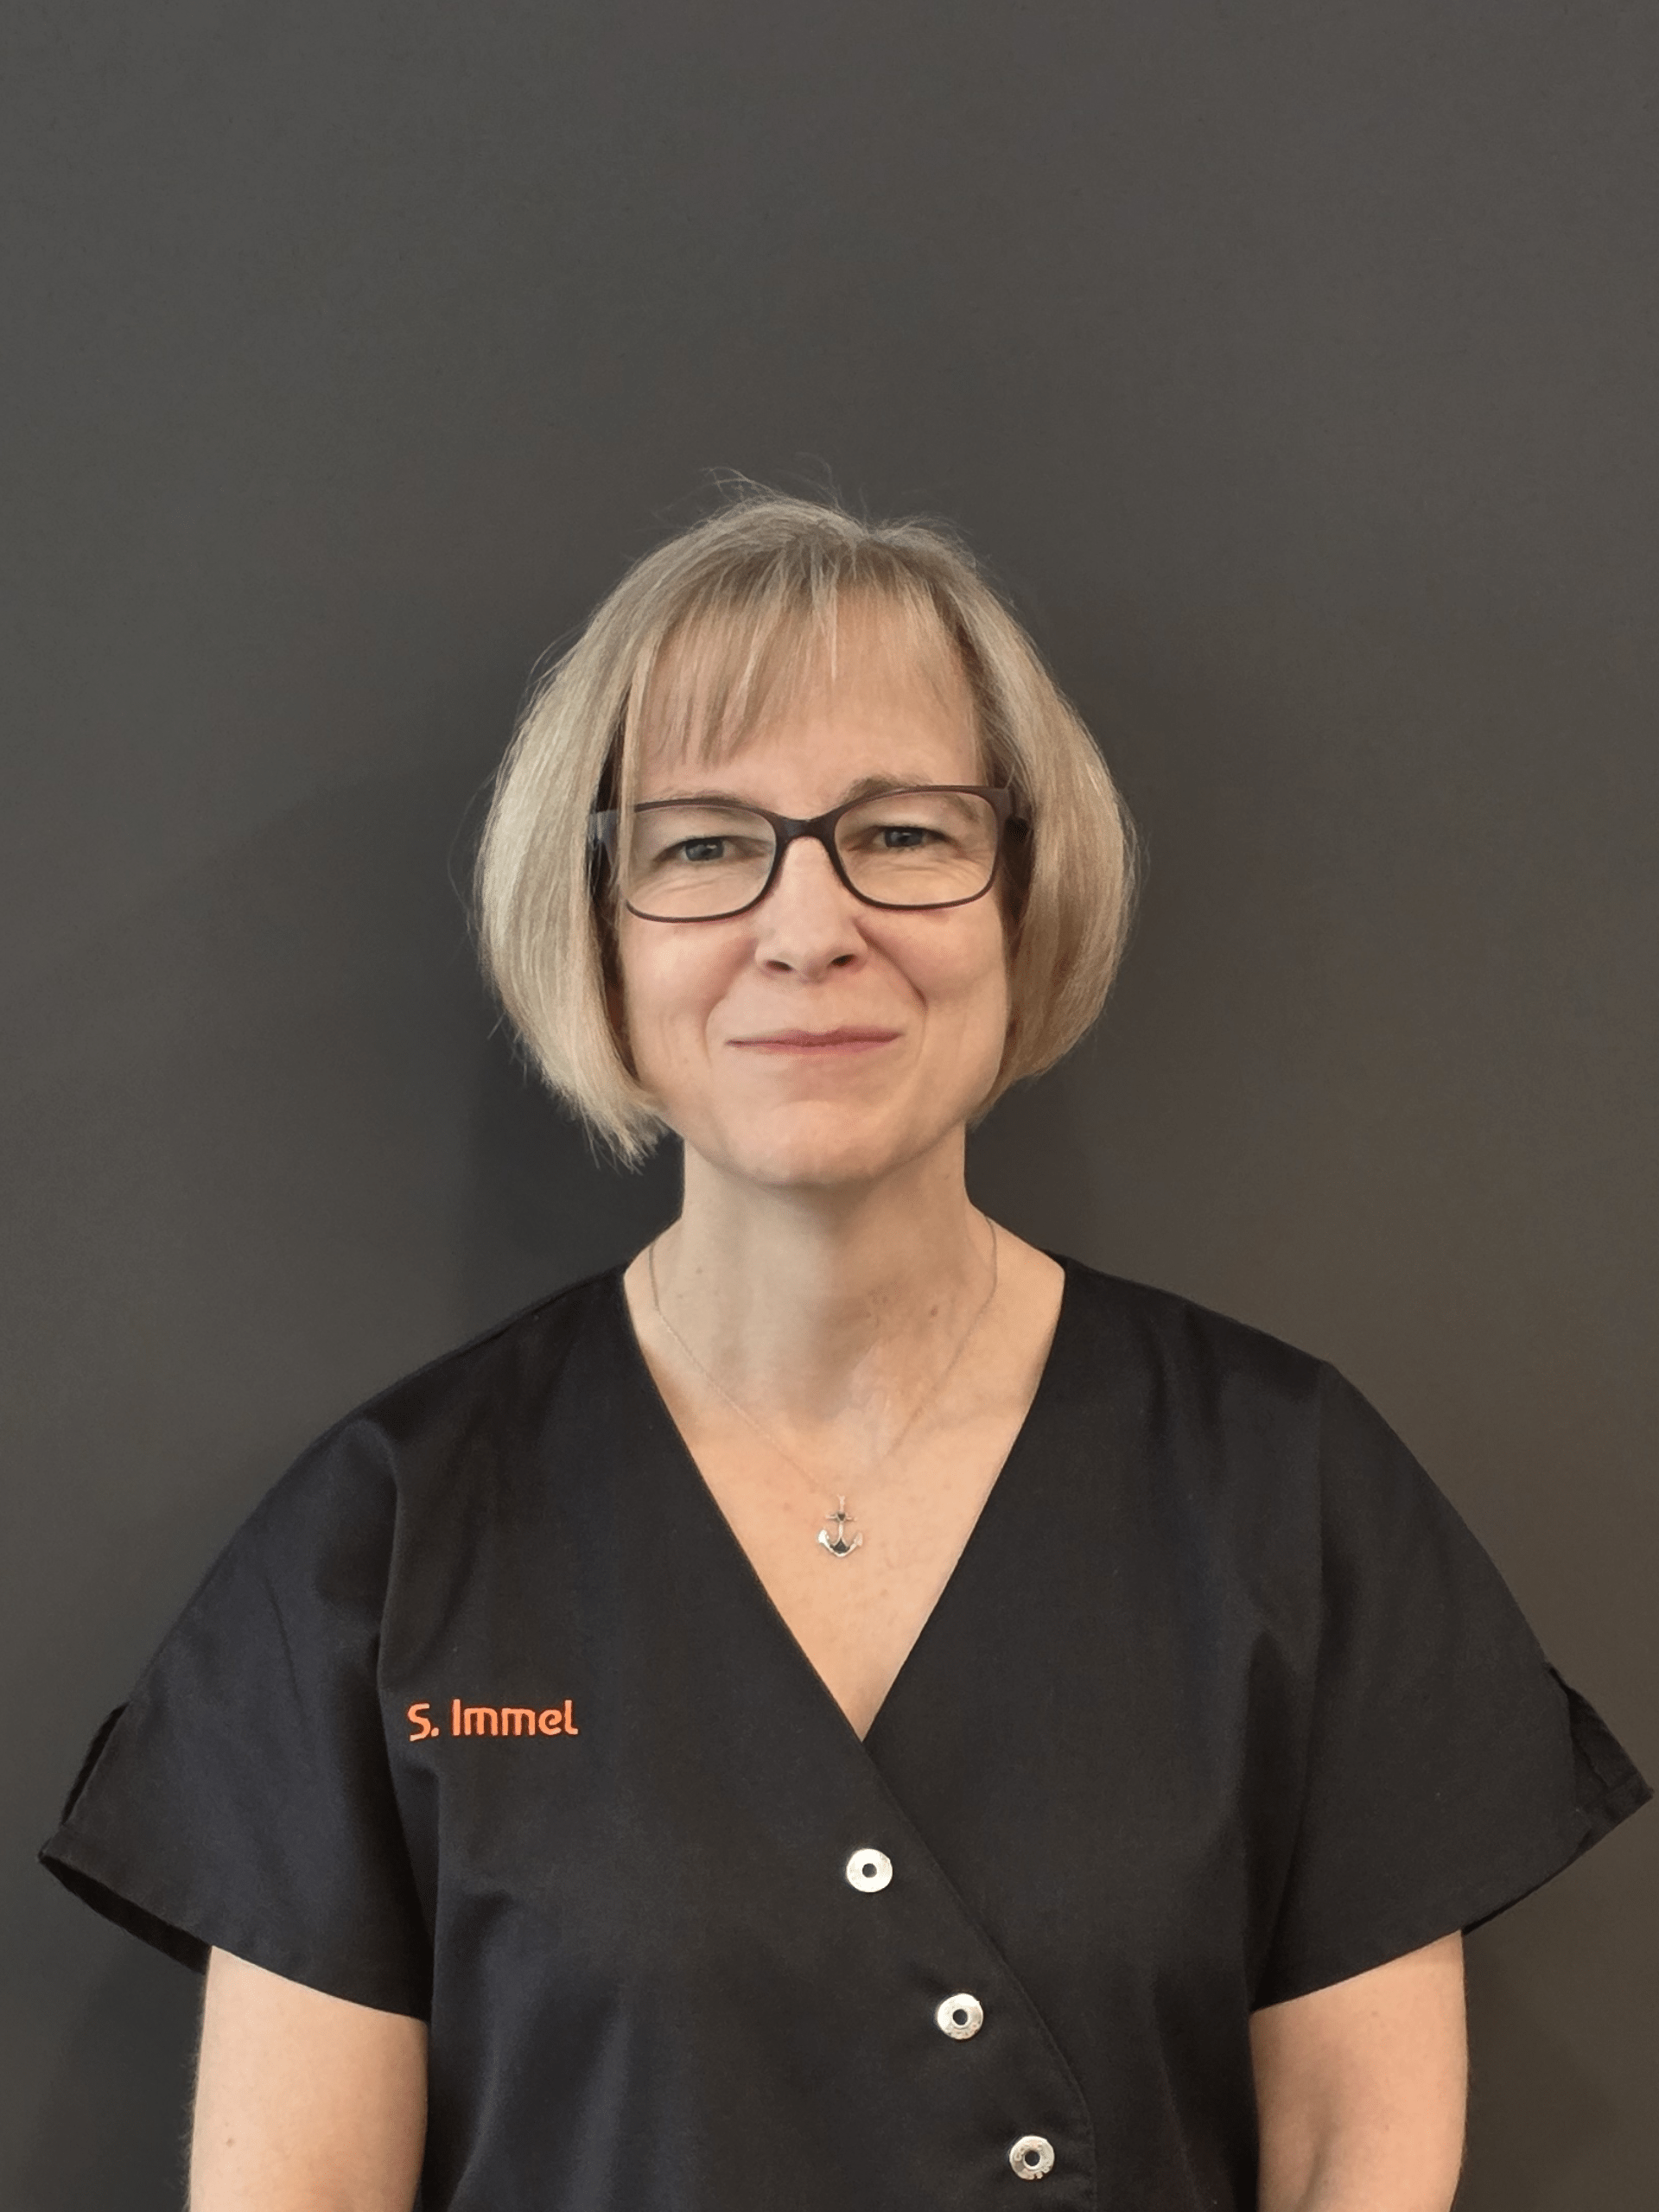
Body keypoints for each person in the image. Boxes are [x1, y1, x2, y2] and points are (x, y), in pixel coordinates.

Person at [41, 490, 1648, 2212]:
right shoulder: (385, 1535)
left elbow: (1357, 2158)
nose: (809, 927)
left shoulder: (1285, 1487)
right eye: (701, 846)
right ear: (595, 925)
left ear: (1023, 893)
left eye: (900, 832)